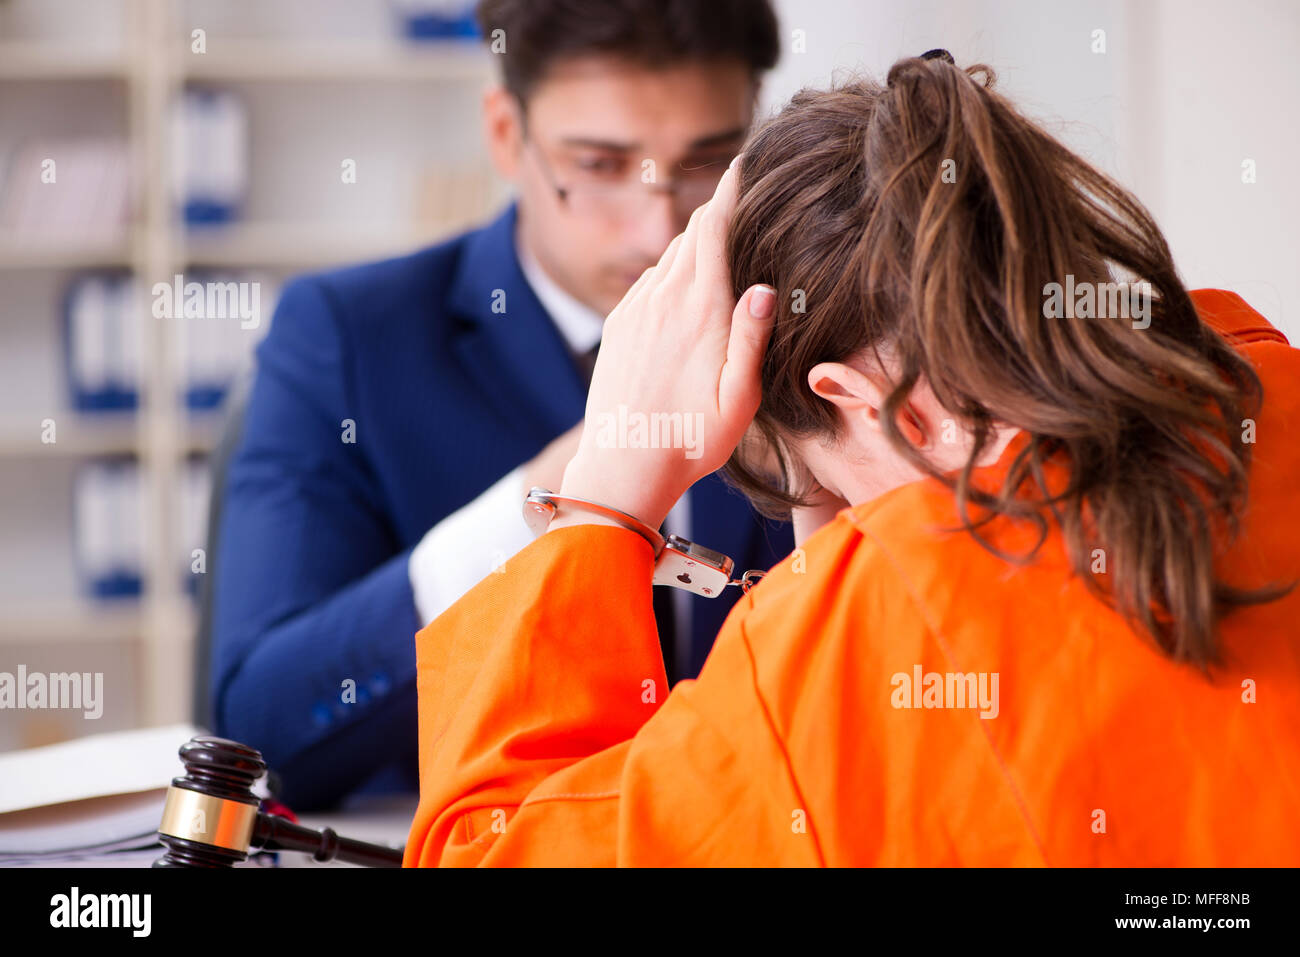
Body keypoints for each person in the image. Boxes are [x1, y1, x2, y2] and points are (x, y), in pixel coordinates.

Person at [403, 54, 1300, 865]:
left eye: (819, 489)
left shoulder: (879, 628)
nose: (817, 554)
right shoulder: (1264, 383)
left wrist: (606, 495)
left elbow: (481, 854)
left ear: (851, 397)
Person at [209, 0, 789, 811]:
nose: (658, 226)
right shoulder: (346, 338)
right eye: (599, 165)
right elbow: (260, 730)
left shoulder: (806, 326)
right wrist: (561, 496)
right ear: (506, 134)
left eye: (707, 161)